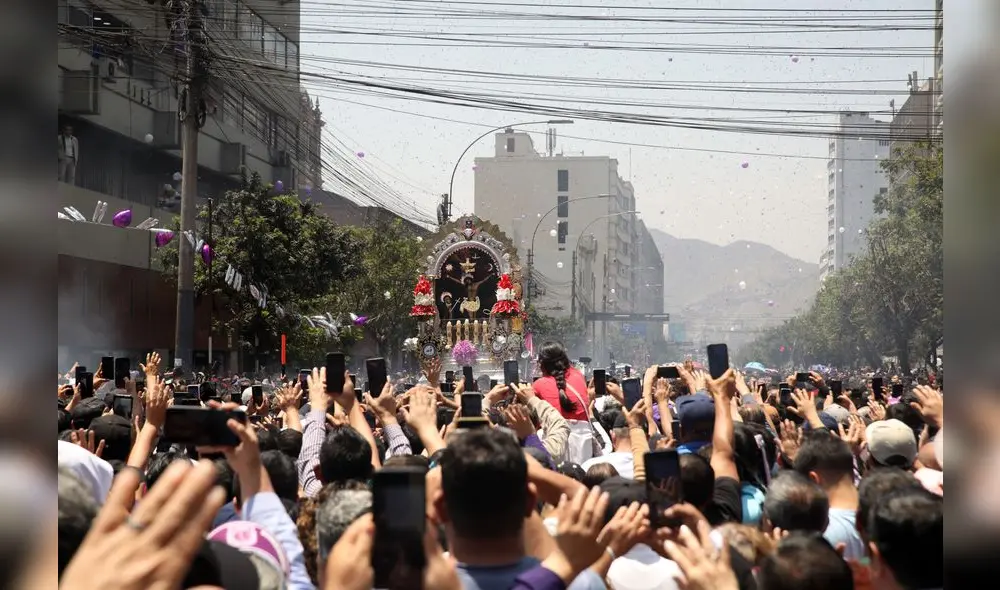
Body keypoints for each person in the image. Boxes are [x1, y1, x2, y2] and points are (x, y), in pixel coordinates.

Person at [533, 341, 595, 464]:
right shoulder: (579, 376)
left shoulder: (538, 385)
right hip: (584, 449)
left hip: (555, 447)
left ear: (542, 364)